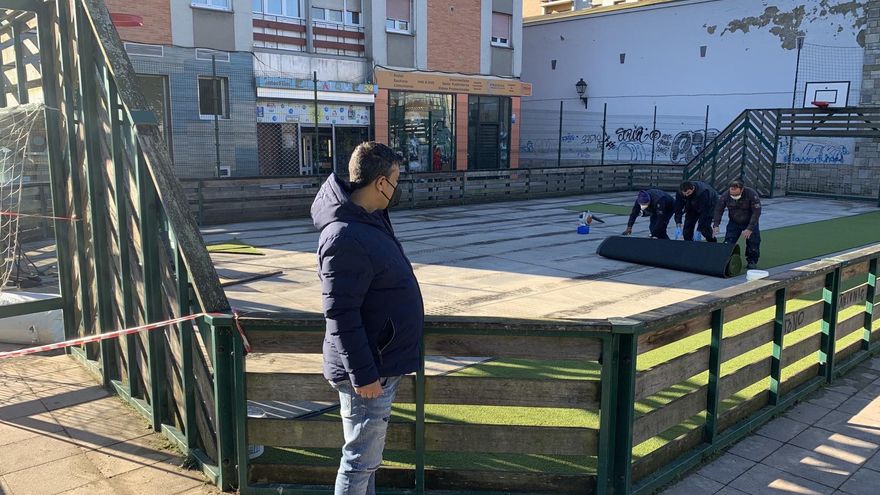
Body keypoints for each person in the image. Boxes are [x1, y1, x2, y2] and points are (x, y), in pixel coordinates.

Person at [310, 142, 424, 495]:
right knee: (359, 462)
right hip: (369, 372)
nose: (397, 188)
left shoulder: (368, 221)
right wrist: (364, 375)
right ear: (379, 183)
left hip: (377, 364)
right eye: (395, 180)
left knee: (366, 462)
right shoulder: (344, 235)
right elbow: (340, 313)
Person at [713, 179, 762, 269]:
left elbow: (757, 212)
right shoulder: (725, 195)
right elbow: (718, 210)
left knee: (753, 242)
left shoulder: (751, 194)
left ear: (742, 189)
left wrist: (750, 228)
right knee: (728, 242)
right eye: (732, 194)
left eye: (736, 194)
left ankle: (752, 260)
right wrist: (716, 224)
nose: (733, 196)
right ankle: (726, 260)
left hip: (750, 221)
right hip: (734, 222)